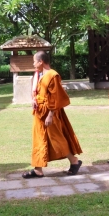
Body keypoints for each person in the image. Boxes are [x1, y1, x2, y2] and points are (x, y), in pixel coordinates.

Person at [22, 51, 83, 179]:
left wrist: (50, 115)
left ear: (41, 62)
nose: (33, 64)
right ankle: (38, 169)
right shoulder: (42, 75)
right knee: (38, 139)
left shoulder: (52, 75)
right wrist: (35, 99)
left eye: (34, 61)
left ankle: (74, 161)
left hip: (50, 113)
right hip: (40, 112)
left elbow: (56, 97)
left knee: (57, 139)